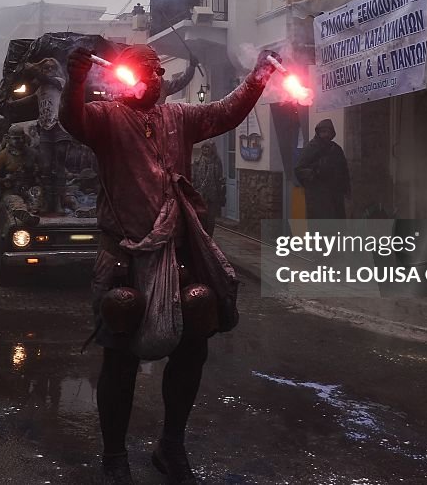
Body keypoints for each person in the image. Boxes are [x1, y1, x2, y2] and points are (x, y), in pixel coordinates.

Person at [60, 44, 279, 484]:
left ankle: (171, 445)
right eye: (144, 72)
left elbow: (225, 113)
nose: (153, 79)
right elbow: (74, 119)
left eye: (157, 72)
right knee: (120, 344)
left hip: (177, 254)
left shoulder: (179, 116)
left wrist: (260, 75)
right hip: (123, 256)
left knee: (197, 323)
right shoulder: (106, 116)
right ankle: (115, 457)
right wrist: (77, 77)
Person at [294, 119, 351, 219]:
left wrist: (346, 190)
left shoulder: (336, 149)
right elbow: (299, 169)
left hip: (335, 197)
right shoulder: (311, 148)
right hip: (317, 198)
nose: (326, 135)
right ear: (318, 132)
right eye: (323, 132)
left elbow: (344, 170)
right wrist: (315, 172)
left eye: (328, 132)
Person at [0, 124, 41, 227]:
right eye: (15, 138)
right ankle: (24, 216)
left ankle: (34, 212)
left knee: (38, 195)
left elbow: (42, 173)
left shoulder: (33, 154)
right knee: (13, 201)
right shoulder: (2, 156)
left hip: (31, 188)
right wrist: (4, 179)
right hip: (10, 190)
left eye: (21, 138)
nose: (19, 141)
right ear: (8, 138)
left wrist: (37, 172)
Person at [191, 141, 225, 230]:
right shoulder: (197, 161)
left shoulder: (217, 161)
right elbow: (193, 177)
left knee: (211, 218)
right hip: (200, 192)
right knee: (201, 216)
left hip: (213, 193)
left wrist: (220, 189)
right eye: (204, 147)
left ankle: (209, 237)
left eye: (208, 148)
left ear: (212, 150)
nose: (205, 149)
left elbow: (219, 177)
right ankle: (202, 236)